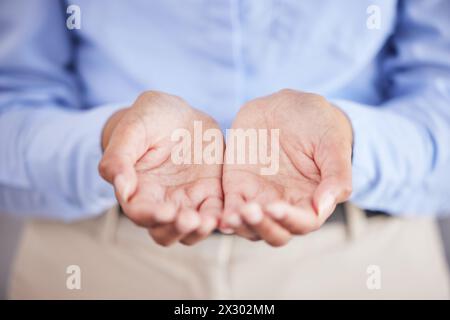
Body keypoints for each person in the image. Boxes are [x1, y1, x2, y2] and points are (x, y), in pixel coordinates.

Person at [1, 0, 449, 299]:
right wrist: (111, 138)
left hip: (369, 267)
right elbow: (13, 97)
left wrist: (347, 141)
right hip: (95, 268)